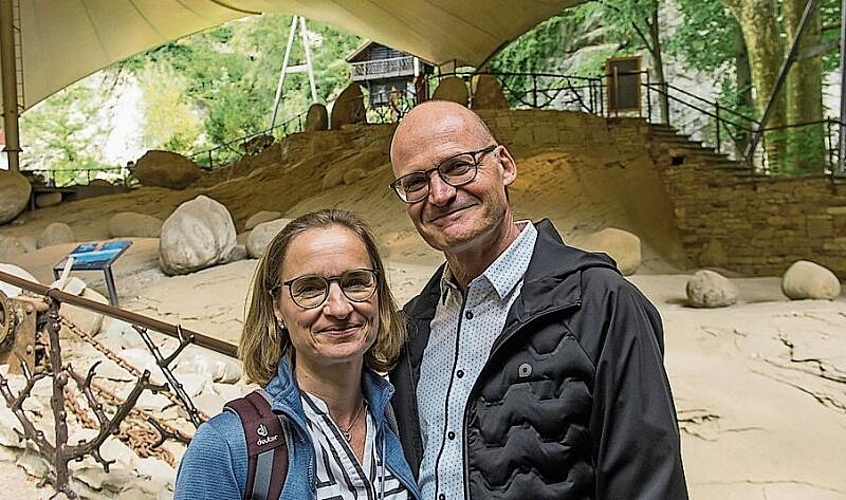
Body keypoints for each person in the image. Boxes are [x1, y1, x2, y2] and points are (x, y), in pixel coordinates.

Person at [387, 101, 688, 499]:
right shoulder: (412, 329)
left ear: (505, 165)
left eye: (458, 166)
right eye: (416, 183)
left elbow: (648, 483)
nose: (440, 194)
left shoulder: (600, 303)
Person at [174, 208, 422, 500]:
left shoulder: (404, 417)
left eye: (356, 282)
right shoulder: (226, 448)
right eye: (310, 289)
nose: (339, 308)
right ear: (276, 308)